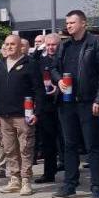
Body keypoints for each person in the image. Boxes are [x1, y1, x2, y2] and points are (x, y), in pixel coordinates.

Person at [49, 10, 99, 198]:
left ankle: (97, 188)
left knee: (93, 146)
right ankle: (70, 184)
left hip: (88, 102)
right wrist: (58, 81)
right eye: (67, 23)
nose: (69, 26)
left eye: (72, 22)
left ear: (83, 23)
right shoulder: (64, 46)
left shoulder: (95, 43)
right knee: (69, 145)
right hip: (67, 103)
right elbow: (53, 68)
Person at [0, 35, 43, 196]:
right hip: (4, 116)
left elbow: (39, 91)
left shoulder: (30, 64)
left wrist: (37, 112)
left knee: (25, 148)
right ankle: (14, 179)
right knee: (10, 149)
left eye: (13, 44)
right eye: (6, 44)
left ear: (20, 46)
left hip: (24, 116)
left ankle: (26, 180)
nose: (9, 46)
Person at [35, 33, 62, 183]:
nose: (51, 48)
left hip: (63, 104)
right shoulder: (41, 60)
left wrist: (57, 90)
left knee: (66, 141)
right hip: (46, 106)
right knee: (47, 141)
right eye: (49, 45)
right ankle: (48, 173)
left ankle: (71, 173)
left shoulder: (63, 59)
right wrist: (39, 50)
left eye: (54, 45)